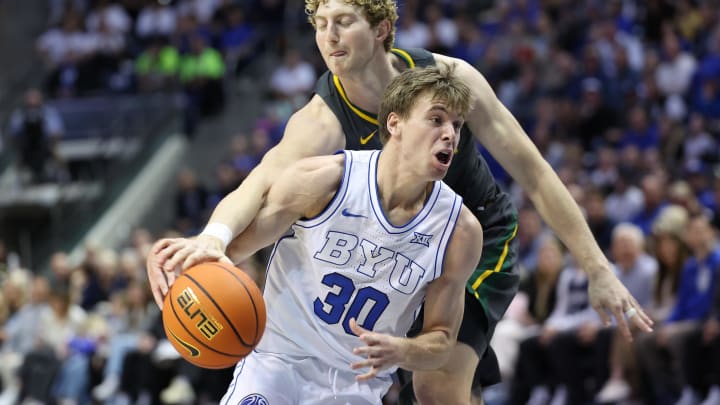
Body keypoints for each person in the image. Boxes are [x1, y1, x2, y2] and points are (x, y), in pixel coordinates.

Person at [147, 1, 653, 403]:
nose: (329, 36)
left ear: (383, 28)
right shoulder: (320, 123)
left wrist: (597, 268)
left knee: (436, 386)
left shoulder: (452, 81)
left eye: (344, 22)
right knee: (406, 374)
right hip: (388, 251)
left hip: (471, 236)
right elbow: (258, 187)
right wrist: (209, 243)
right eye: (321, 23)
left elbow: (535, 174)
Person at [224, 65, 482, 402]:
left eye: (457, 125)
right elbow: (233, 251)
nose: (450, 134)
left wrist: (402, 350)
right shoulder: (324, 181)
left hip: (356, 385)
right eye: (436, 119)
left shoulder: (459, 231)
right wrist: (201, 252)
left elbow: (441, 342)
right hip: (278, 363)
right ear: (395, 123)